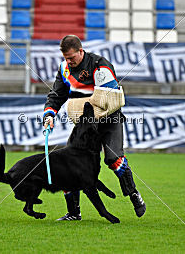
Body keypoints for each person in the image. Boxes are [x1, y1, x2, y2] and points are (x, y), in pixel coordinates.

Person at [43, 35, 146, 220]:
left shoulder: (100, 65)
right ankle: (74, 213)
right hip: (85, 126)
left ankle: (133, 194)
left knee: (114, 160)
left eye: (71, 58)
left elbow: (110, 99)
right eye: (65, 58)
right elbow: (56, 95)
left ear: (81, 51)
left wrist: (85, 107)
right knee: (68, 163)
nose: (68, 62)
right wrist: (50, 114)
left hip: (109, 120)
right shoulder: (64, 69)